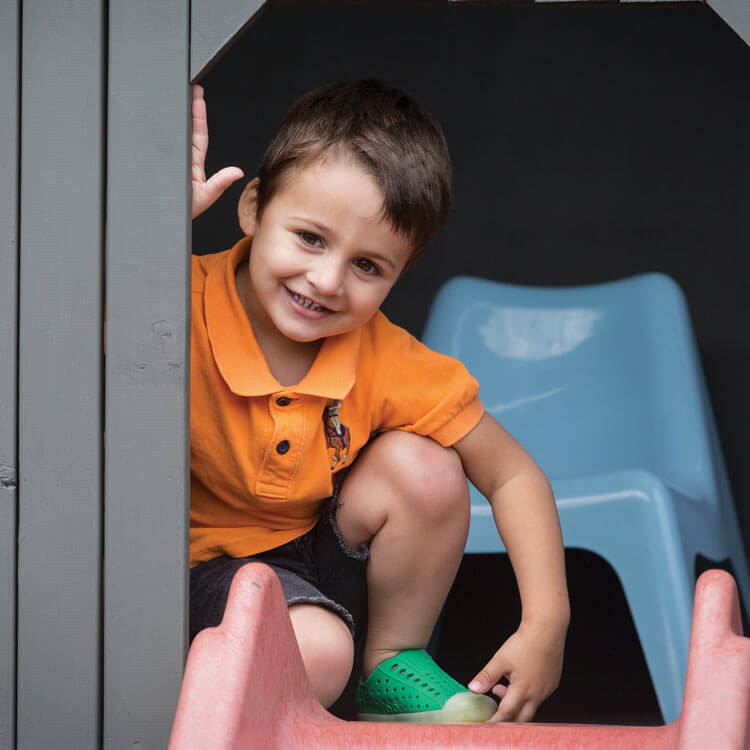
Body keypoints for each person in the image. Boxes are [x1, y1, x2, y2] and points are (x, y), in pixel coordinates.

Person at [189, 79, 570, 724]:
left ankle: (389, 666)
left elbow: (513, 475)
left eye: (368, 266)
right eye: (309, 237)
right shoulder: (173, 300)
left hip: (311, 558)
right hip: (190, 568)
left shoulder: (383, 356)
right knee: (315, 652)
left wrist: (546, 621)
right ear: (253, 208)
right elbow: (64, 326)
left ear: (400, 273)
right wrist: (148, 231)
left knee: (427, 467)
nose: (326, 280)